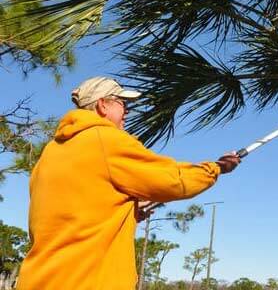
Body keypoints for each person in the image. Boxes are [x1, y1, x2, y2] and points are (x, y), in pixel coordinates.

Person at [16, 76, 241, 290]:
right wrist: (217, 168)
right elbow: (173, 179)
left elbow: (76, 211)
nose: (127, 111)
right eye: (123, 104)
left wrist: (132, 209)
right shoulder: (106, 139)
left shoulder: (50, 153)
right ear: (103, 105)